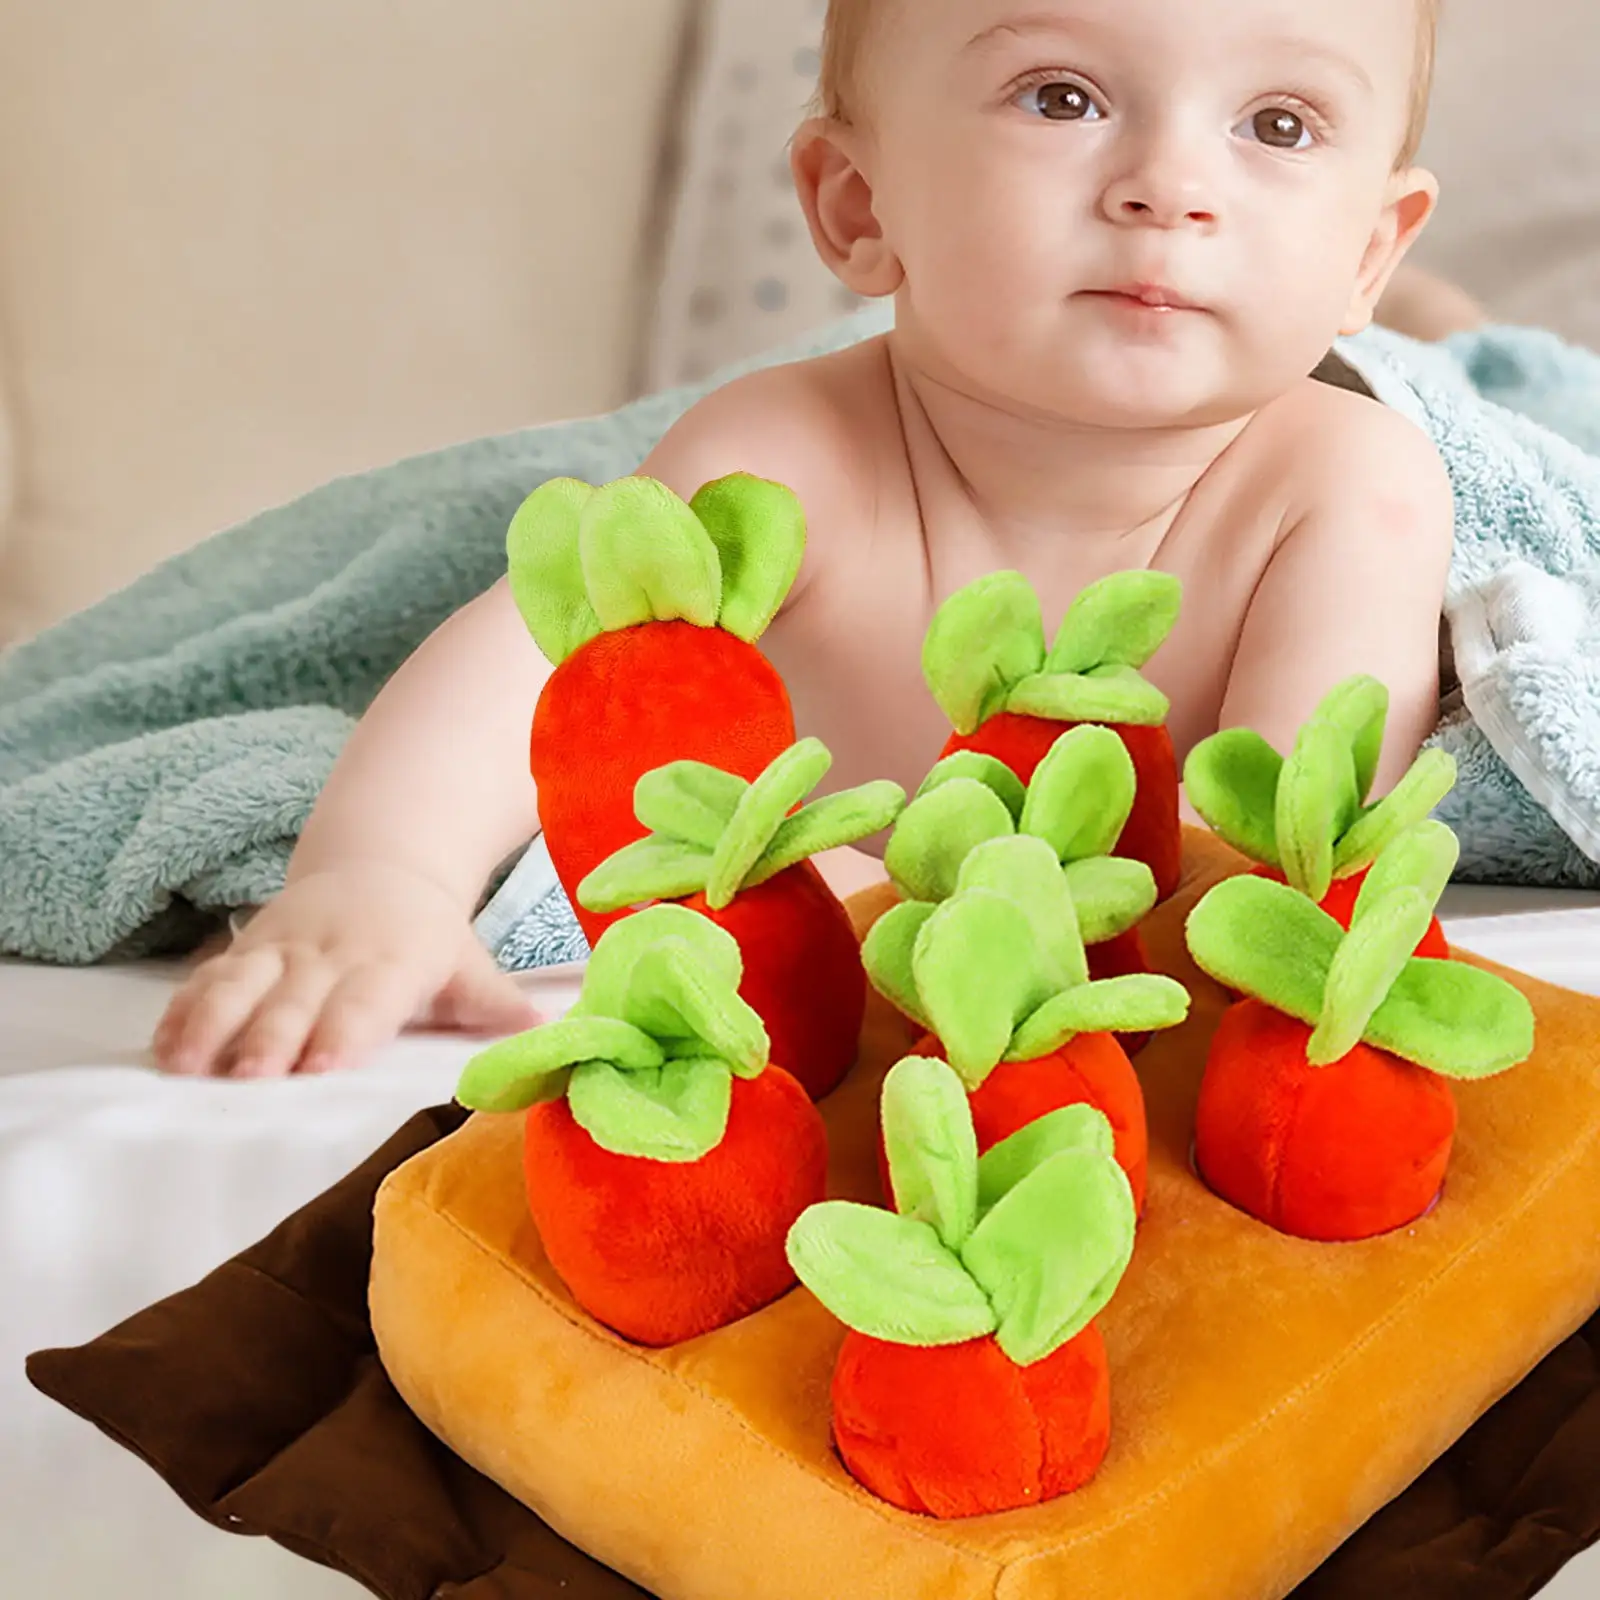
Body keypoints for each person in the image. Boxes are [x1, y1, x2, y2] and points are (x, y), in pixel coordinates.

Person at [155, 0, 1474, 1079]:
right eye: (1062, 98)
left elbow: (1286, 866)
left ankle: (1444, 329)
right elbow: (550, 655)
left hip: (1390, 382)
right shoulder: (789, 457)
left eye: (1278, 124)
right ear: (856, 202)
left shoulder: (1349, 483)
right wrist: (380, 877)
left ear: (1362, 247)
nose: (1171, 188)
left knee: (1485, 371)